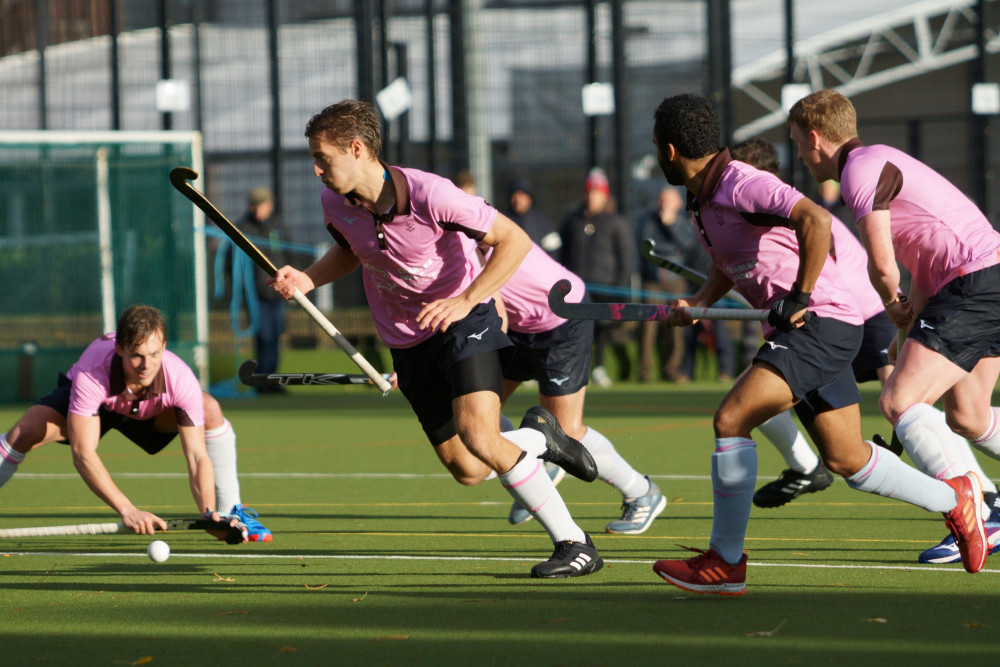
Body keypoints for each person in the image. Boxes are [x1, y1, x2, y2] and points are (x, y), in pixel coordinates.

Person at [647, 93, 988, 596]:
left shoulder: (743, 181)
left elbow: (816, 220)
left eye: (657, 147)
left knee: (731, 418)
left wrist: (800, 295)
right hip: (812, 328)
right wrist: (696, 302)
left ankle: (725, 563)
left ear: (670, 151)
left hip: (819, 323)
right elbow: (731, 261)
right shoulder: (704, 197)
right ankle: (955, 498)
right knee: (847, 458)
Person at [269, 99, 603, 578]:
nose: (316, 168)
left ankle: (575, 544)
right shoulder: (333, 203)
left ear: (357, 149)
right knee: (468, 469)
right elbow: (350, 250)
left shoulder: (433, 195)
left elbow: (513, 241)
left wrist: (466, 301)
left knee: (480, 434)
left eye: (322, 157)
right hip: (407, 340)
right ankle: (539, 436)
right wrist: (308, 279)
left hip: (464, 320)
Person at [730, 137, 1000, 561]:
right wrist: (905, 331)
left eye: (801, 144)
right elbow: (923, 269)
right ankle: (984, 503)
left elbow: (879, 269)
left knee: (901, 402)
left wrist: (894, 314)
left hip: (863, 312)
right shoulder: (769, 215)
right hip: (929, 295)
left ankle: (978, 508)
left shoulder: (812, 205)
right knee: (968, 415)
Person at [0, 305, 271, 541]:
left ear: (164, 347)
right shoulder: (92, 373)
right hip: (100, 407)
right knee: (27, 430)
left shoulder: (180, 378)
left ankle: (229, 513)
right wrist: (128, 509)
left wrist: (208, 513)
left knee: (209, 407)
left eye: (154, 354)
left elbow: (197, 457)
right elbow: (83, 454)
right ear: (119, 349)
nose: (146, 365)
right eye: (136, 355)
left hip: (151, 413)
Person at [491, 241, 665, 534]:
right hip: (517, 325)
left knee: (565, 431)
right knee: (475, 414)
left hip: (559, 319)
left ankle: (641, 492)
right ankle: (537, 464)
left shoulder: (461, 226)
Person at [558, 167, 635, 386]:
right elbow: (562, 254)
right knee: (574, 330)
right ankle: (575, 368)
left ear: (605, 195)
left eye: (596, 192)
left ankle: (599, 367)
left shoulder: (616, 222)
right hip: (575, 288)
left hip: (605, 288)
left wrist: (620, 289)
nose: (591, 197)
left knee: (600, 330)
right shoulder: (571, 221)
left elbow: (625, 261)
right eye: (589, 192)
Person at [633, 186, 695, 383]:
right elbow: (646, 244)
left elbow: (687, 245)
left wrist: (670, 224)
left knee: (677, 327)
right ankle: (644, 372)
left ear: (677, 203)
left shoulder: (684, 221)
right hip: (653, 280)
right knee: (648, 327)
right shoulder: (647, 219)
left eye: (669, 200)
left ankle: (672, 369)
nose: (664, 204)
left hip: (676, 280)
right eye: (662, 199)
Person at [236, 187, 289, 394]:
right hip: (256, 295)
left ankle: (272, 380)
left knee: (275, 335)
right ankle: (262, 381)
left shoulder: (278, 226)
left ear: (270, 205)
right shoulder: (242, 228)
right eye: (255, 205)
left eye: (263, 205)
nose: (259, 210)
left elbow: (289, 254)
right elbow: (233, 264)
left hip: (279, 293)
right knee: (263, 336)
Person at [506, 176, 561, 256]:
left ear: (529, 197)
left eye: (521, 195)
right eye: (514, 195)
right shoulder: (504, 220)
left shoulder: (542, 221)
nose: (517, 199)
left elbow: (553, 250)